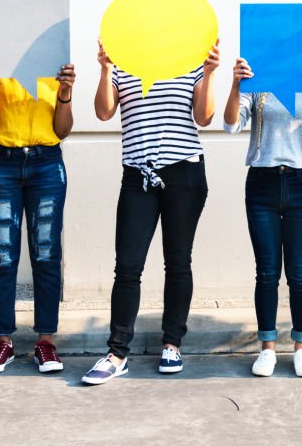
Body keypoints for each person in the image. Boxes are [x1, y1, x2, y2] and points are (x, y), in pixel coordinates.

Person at [81, 37, 220, 385]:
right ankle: (117, 353)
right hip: (138, 174)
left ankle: (172, 344)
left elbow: (204, 116)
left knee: (178, 262)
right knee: (127, 266)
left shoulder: (189, 60)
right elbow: (103, 112)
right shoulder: (123, 61)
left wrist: (209, 72)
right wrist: (105, 68)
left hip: (184, 173)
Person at [0, 0, 76, 374]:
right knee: (2, 254)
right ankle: (3, 341)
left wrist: (64, 93)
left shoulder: (54, 63)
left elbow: (62, 130)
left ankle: (46, 342)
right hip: (0, 163)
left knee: (47, 253)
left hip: (46, 162)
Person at [223, 57, 302, 377]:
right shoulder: (257, 84)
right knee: (266, 272)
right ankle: (267, 348)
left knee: (299, 272)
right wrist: (236, 84)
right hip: (261, 185)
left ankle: (301, 348)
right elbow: (230, 124)